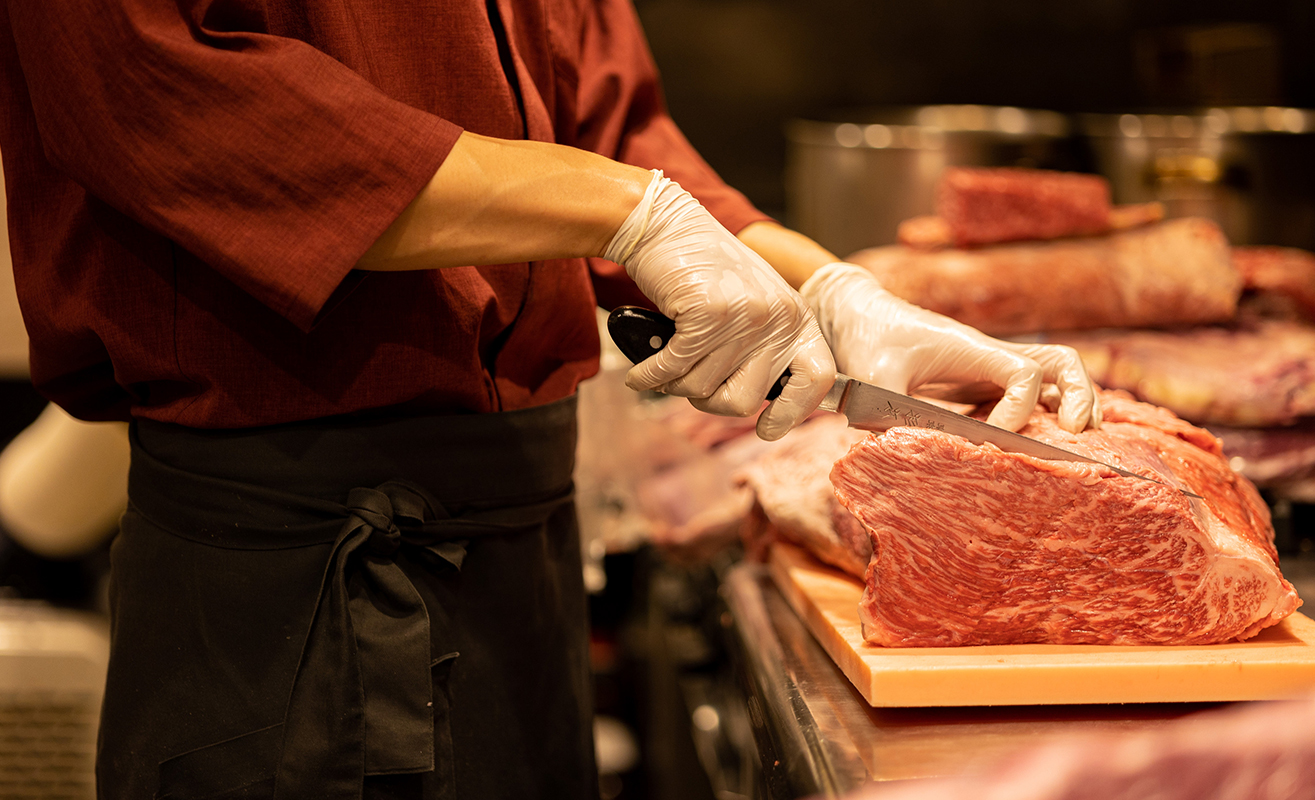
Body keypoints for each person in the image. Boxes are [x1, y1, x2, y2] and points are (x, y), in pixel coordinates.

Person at [0, 1, 1098, 798]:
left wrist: (830, 291)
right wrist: (630, 213)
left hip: (519, 560)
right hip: (289, 586)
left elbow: (614, 132)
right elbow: (160, 95)